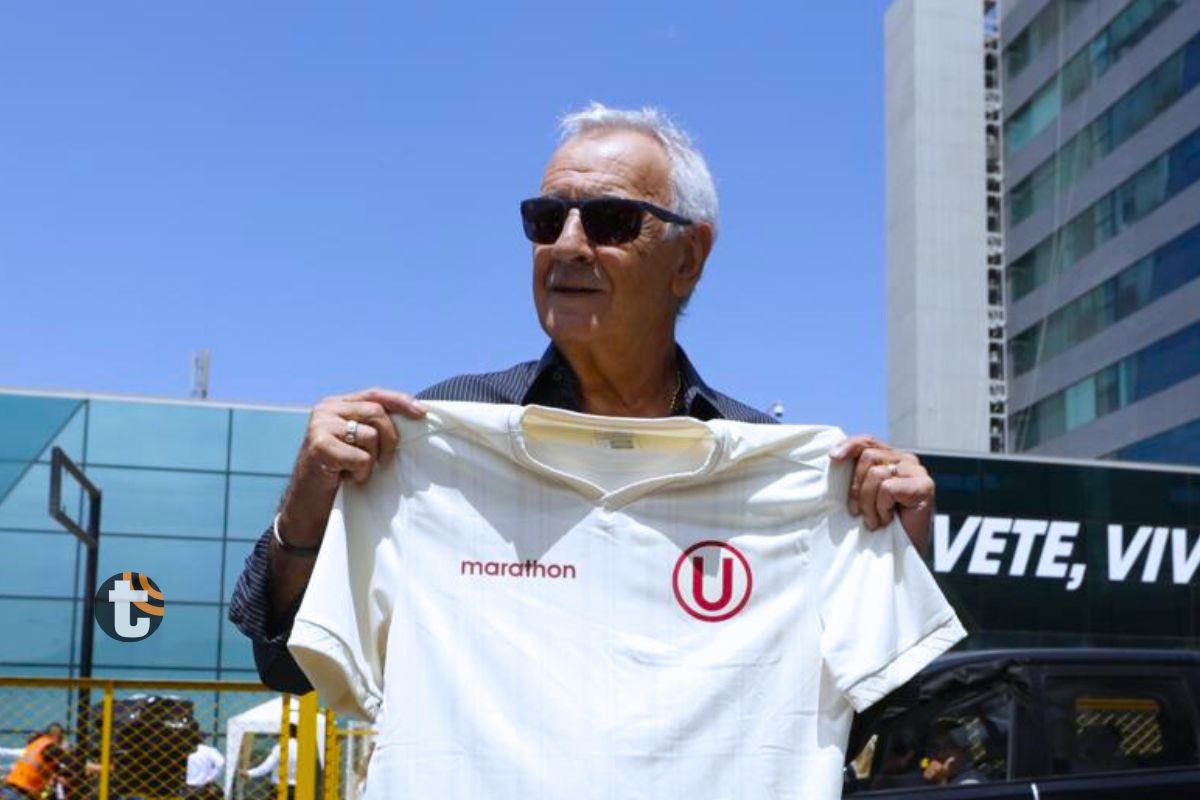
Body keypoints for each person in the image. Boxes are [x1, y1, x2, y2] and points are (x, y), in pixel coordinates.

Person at [228, 102, 938, 695]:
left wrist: (896, 555)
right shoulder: (439, 437)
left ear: (688, 258)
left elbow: (864, 712)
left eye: (609, 221)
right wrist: (306, 508)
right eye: (545, 219)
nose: (566, 245)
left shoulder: (778, 471)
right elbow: (286, 665)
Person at [1, 724, 65, 800]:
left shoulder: (33, 748)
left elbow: (7, 753)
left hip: (14, 789)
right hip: (23, 791)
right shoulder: (50, 748)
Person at [239, 725, 298, 800]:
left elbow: (267, 766)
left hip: (279, 786)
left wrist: (249, 773)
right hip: (297, 787)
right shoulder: (302, 748)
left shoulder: (281, 747)